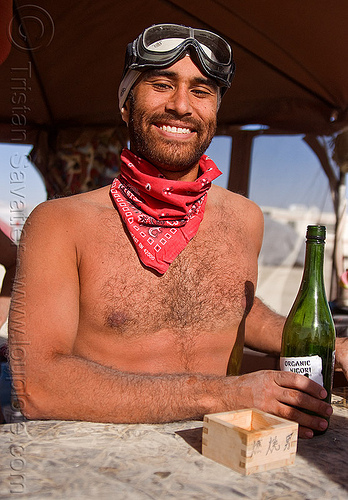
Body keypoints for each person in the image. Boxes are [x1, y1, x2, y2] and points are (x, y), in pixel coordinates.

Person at [9, 24, 348, 438]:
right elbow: (37, 385)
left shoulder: (245, 219)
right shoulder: (59, 224)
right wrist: (221, 395)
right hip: (100, 460)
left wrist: (330, 347)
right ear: (125, 104)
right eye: (161, 84)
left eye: (202, 91)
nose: (182, 105)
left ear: (215, 112)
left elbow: (229, 304)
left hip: (227, 451)